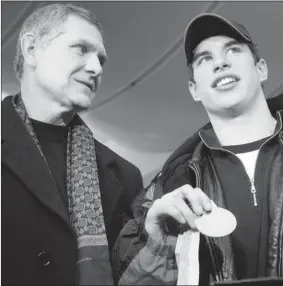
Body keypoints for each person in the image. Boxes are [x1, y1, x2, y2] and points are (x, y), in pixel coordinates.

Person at [112, 13, 283, 285]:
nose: (221, 63)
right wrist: (156, 244)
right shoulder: (170, 186)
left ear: (261, 69)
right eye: (205, 59)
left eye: (233, 50)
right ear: (194, 90)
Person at [2, 3, 143, 285]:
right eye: (81, 49)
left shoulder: (125, 175)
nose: (95, 68)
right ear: (31, 49)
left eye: (101, 60)